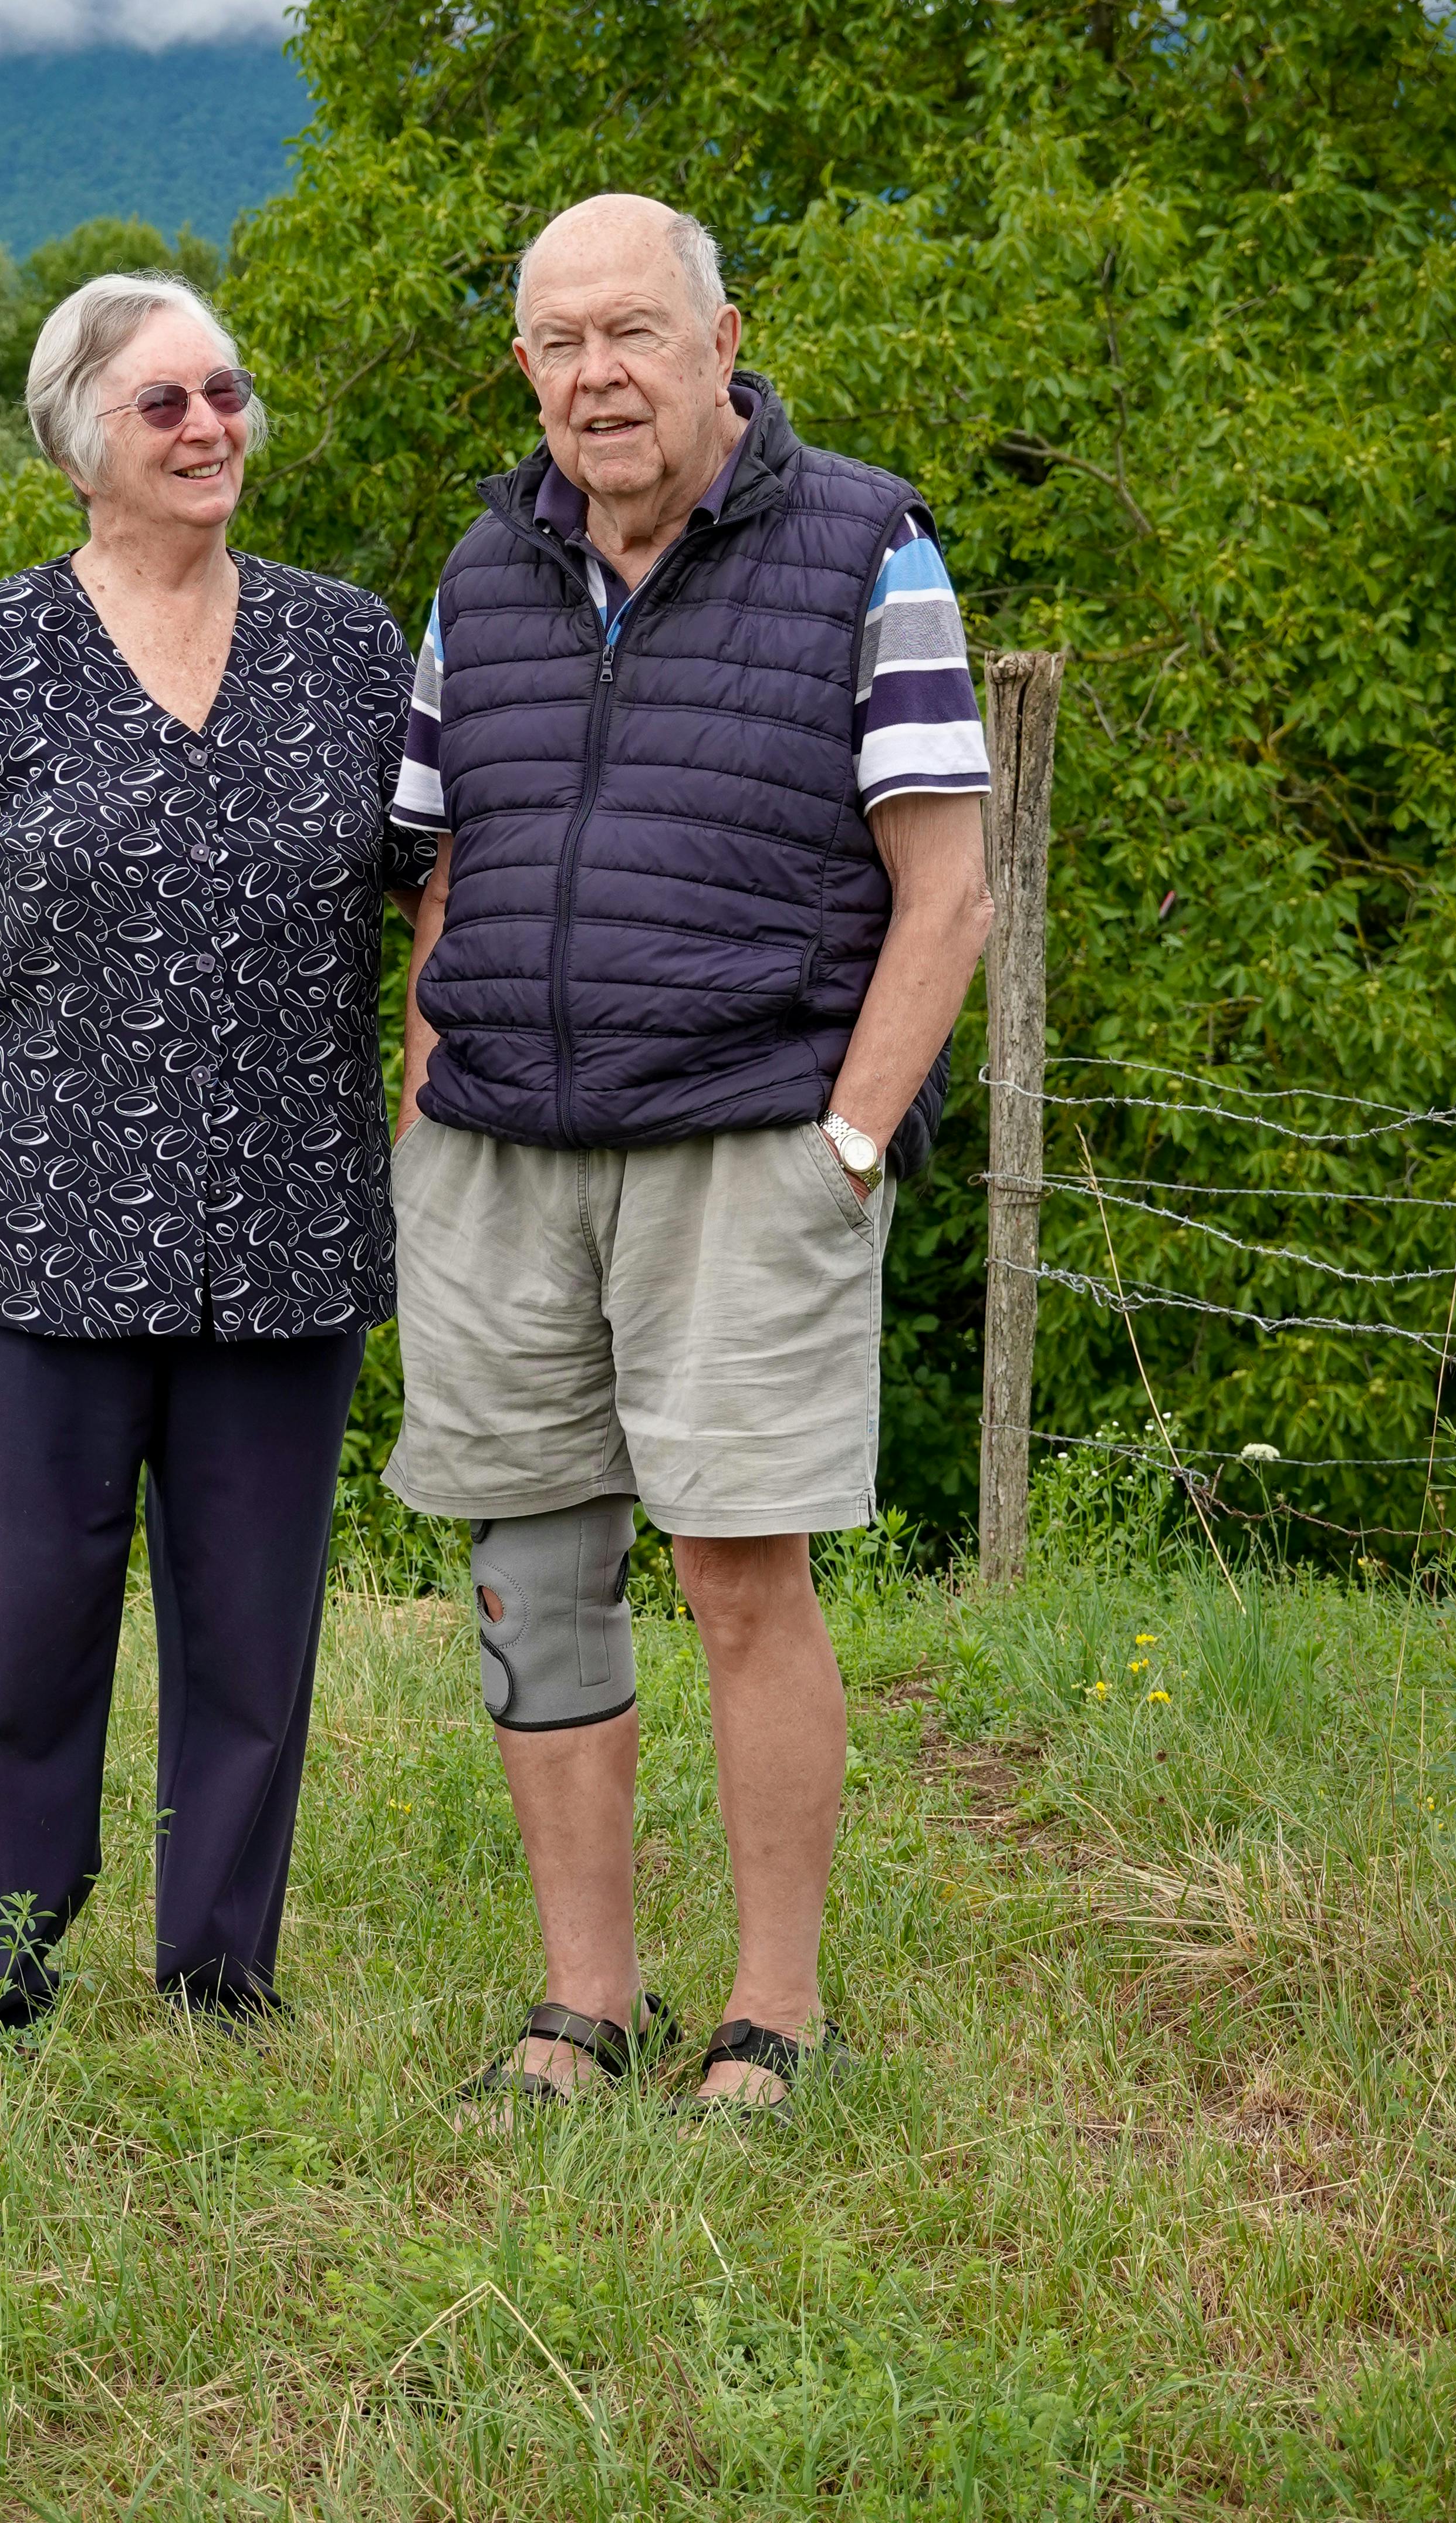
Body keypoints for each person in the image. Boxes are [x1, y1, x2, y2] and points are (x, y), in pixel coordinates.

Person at [386, 192, 994, 2110]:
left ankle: (773, 2014)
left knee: (742, 1573)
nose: (597, 374)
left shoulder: (866, 544)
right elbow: (444, 866)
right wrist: (422, 1106)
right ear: (525, 372)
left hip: (750, 1141)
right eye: (560, 342)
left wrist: (849, 1144)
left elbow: (951, 888)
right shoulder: (482, 571)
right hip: (501, 1153)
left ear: (727, 342)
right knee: (532, 1573)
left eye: (634, 331)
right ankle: (584, 2002)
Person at [0, 271, 432, 2046]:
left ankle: (220, 1977)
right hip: (36, 1223)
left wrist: (412, 1137)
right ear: (78, 438)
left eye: (229, 392)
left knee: (253, 1643)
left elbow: (440, 906)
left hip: (290, 1221)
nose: (211, 427)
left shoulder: (351, 644)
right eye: (167, 402)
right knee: (10, 1629)